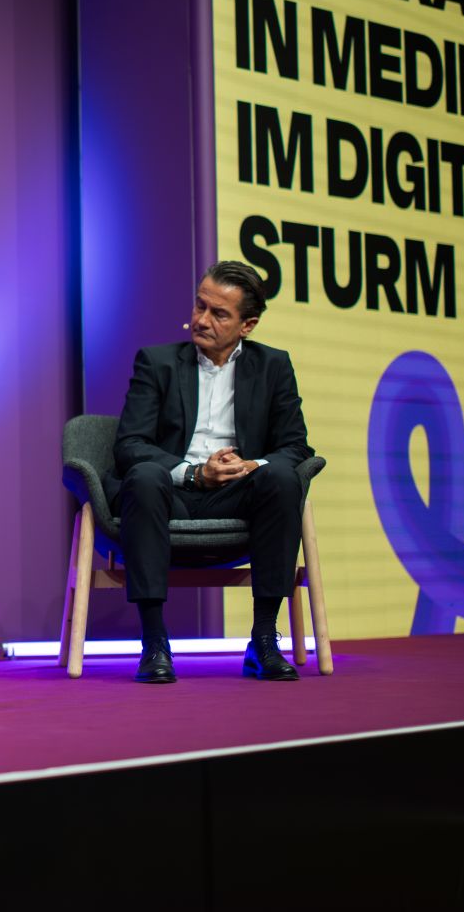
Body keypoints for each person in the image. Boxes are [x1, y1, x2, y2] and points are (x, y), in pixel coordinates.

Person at [108, 260, 313, 684]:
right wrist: (195, 473)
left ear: (247, 325)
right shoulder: (158, 362)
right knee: (143, 476)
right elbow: (130, 444)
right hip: (172, 492)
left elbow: (295, 447)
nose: (201, 320)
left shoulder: (273, 366)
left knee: (280, 478)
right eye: (200, 305)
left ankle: (263, 641)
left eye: (219, 313)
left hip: (236, 495)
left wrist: (250, 466)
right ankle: (154, 644)